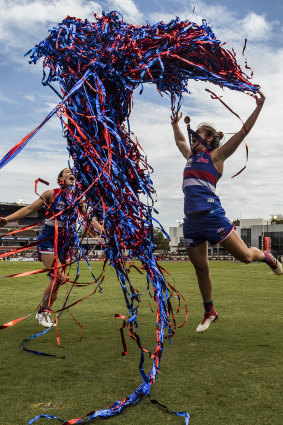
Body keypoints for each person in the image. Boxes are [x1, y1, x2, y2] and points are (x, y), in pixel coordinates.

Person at [171, 91, 282, 333]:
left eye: (198, 135)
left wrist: (259, 106)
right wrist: (175, 125)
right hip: (191, 222)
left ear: (209, 139)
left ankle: (267, 256)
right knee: (201, 269)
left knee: (246, 257)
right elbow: (180, 141)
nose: (193, 140)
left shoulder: (216, 156)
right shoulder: (190, 156)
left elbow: (243, 133)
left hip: (213, 217)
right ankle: (209, 311)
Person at [0, 168, 102, 327]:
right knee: (56, 275)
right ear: (61, 178)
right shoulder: (51, 193)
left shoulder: (78, 199)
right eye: (66, 172)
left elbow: (90, 218)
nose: (71, 173)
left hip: (64, 242)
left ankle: (46, 311)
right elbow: (28, 209)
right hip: (48, 239)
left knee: (58, 281)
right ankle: (42, 312)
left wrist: (104, 233)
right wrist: (7, 219)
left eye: (72, 172)